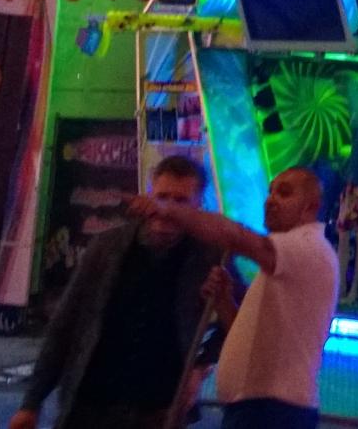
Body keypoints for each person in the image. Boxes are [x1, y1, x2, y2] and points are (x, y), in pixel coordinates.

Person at [16, 155, 226, 429]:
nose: (167, 209)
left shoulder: (209, 255)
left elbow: (237, 318)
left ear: (198, 204)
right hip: (90, 405)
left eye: (180, 201)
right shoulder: (108, 247)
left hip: (159, 410)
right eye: (162, 197)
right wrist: (31, 403)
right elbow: (65, 323)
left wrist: (200, 365)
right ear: (149, 194)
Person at [132, 166, 340, 429]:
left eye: (284, 193)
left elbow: (236, 236)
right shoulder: (289, 257)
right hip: (256, 410)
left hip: (273, 412)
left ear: (311, 207)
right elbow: (250, 338)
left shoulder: (307, 246)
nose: (271, 200)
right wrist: (224, 301)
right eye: (271, 192)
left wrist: (167, 210)